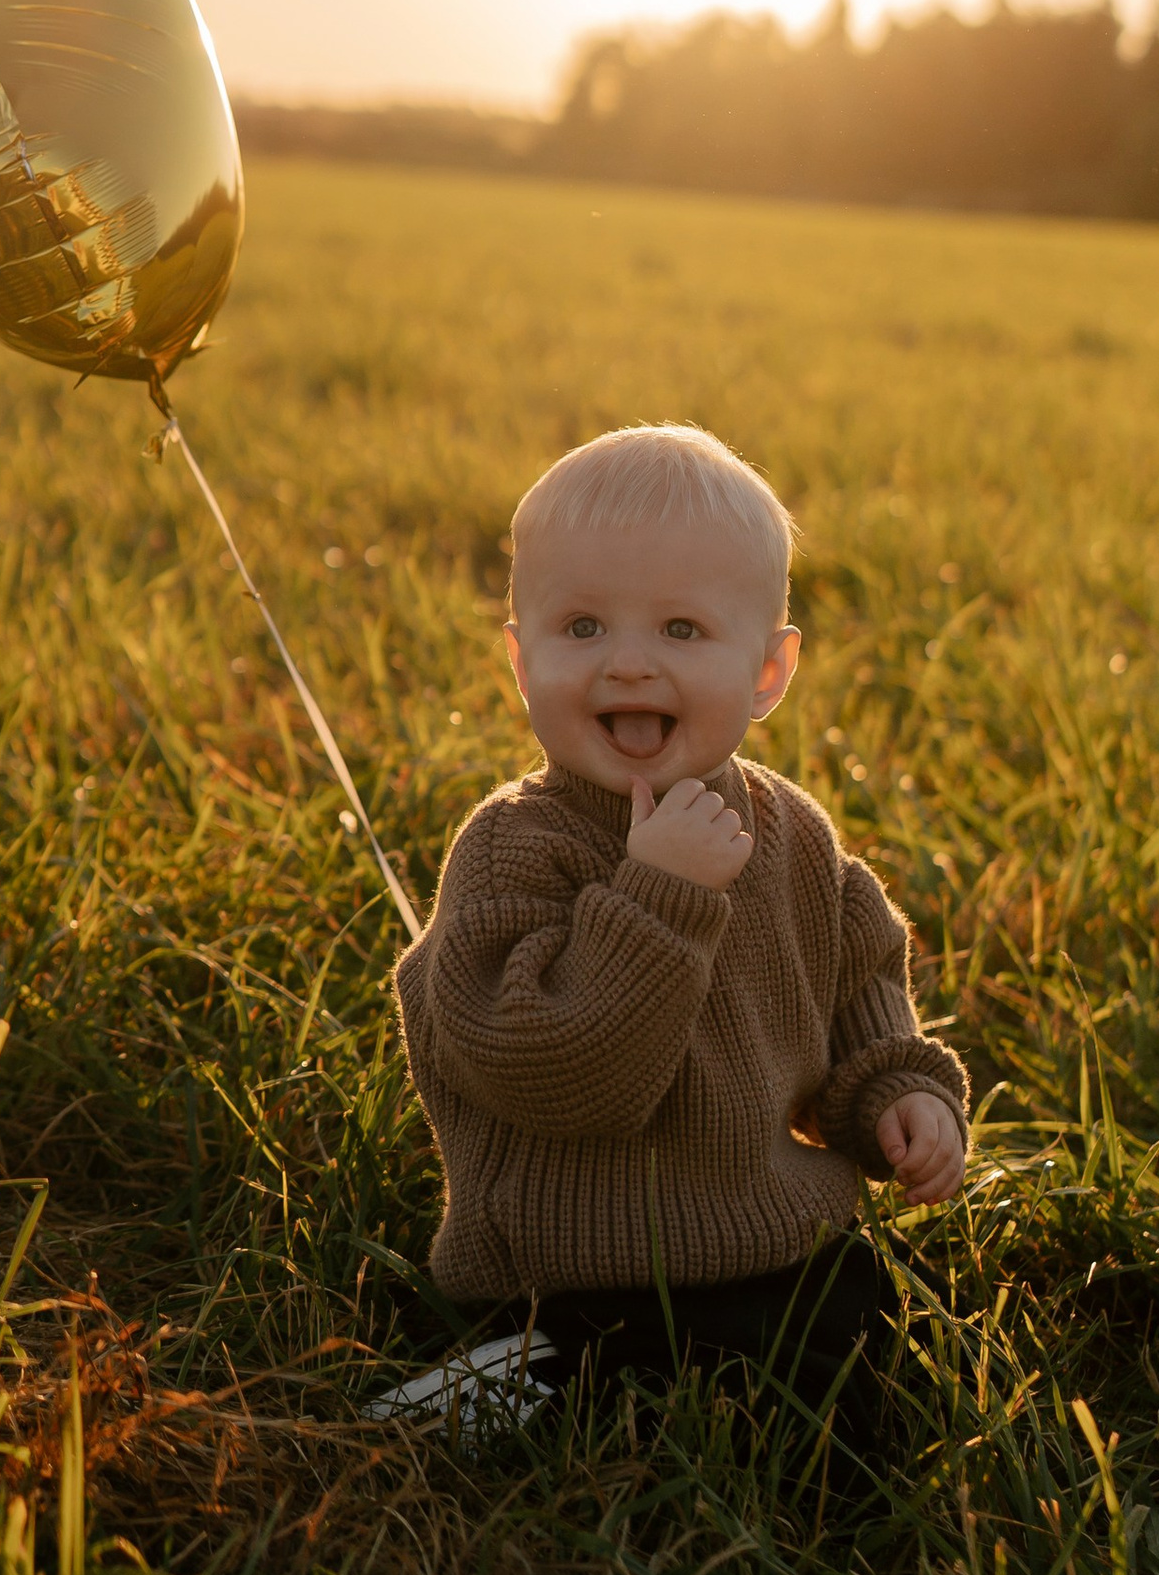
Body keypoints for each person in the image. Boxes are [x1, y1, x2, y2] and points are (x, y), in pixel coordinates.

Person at [388, 423, 967, 1457]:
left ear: (767, 672)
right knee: (612, 1407)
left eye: (682, 630)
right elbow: (552, 1074)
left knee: (884, 1378)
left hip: (771, 1237)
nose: (628, 663)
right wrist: (657, 897)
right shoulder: (515, 851)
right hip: (574, 1269)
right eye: (581, 627)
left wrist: (895, 1091)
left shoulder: (789, 833)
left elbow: (858, 978)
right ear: (520, 659)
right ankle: (493, 1388)